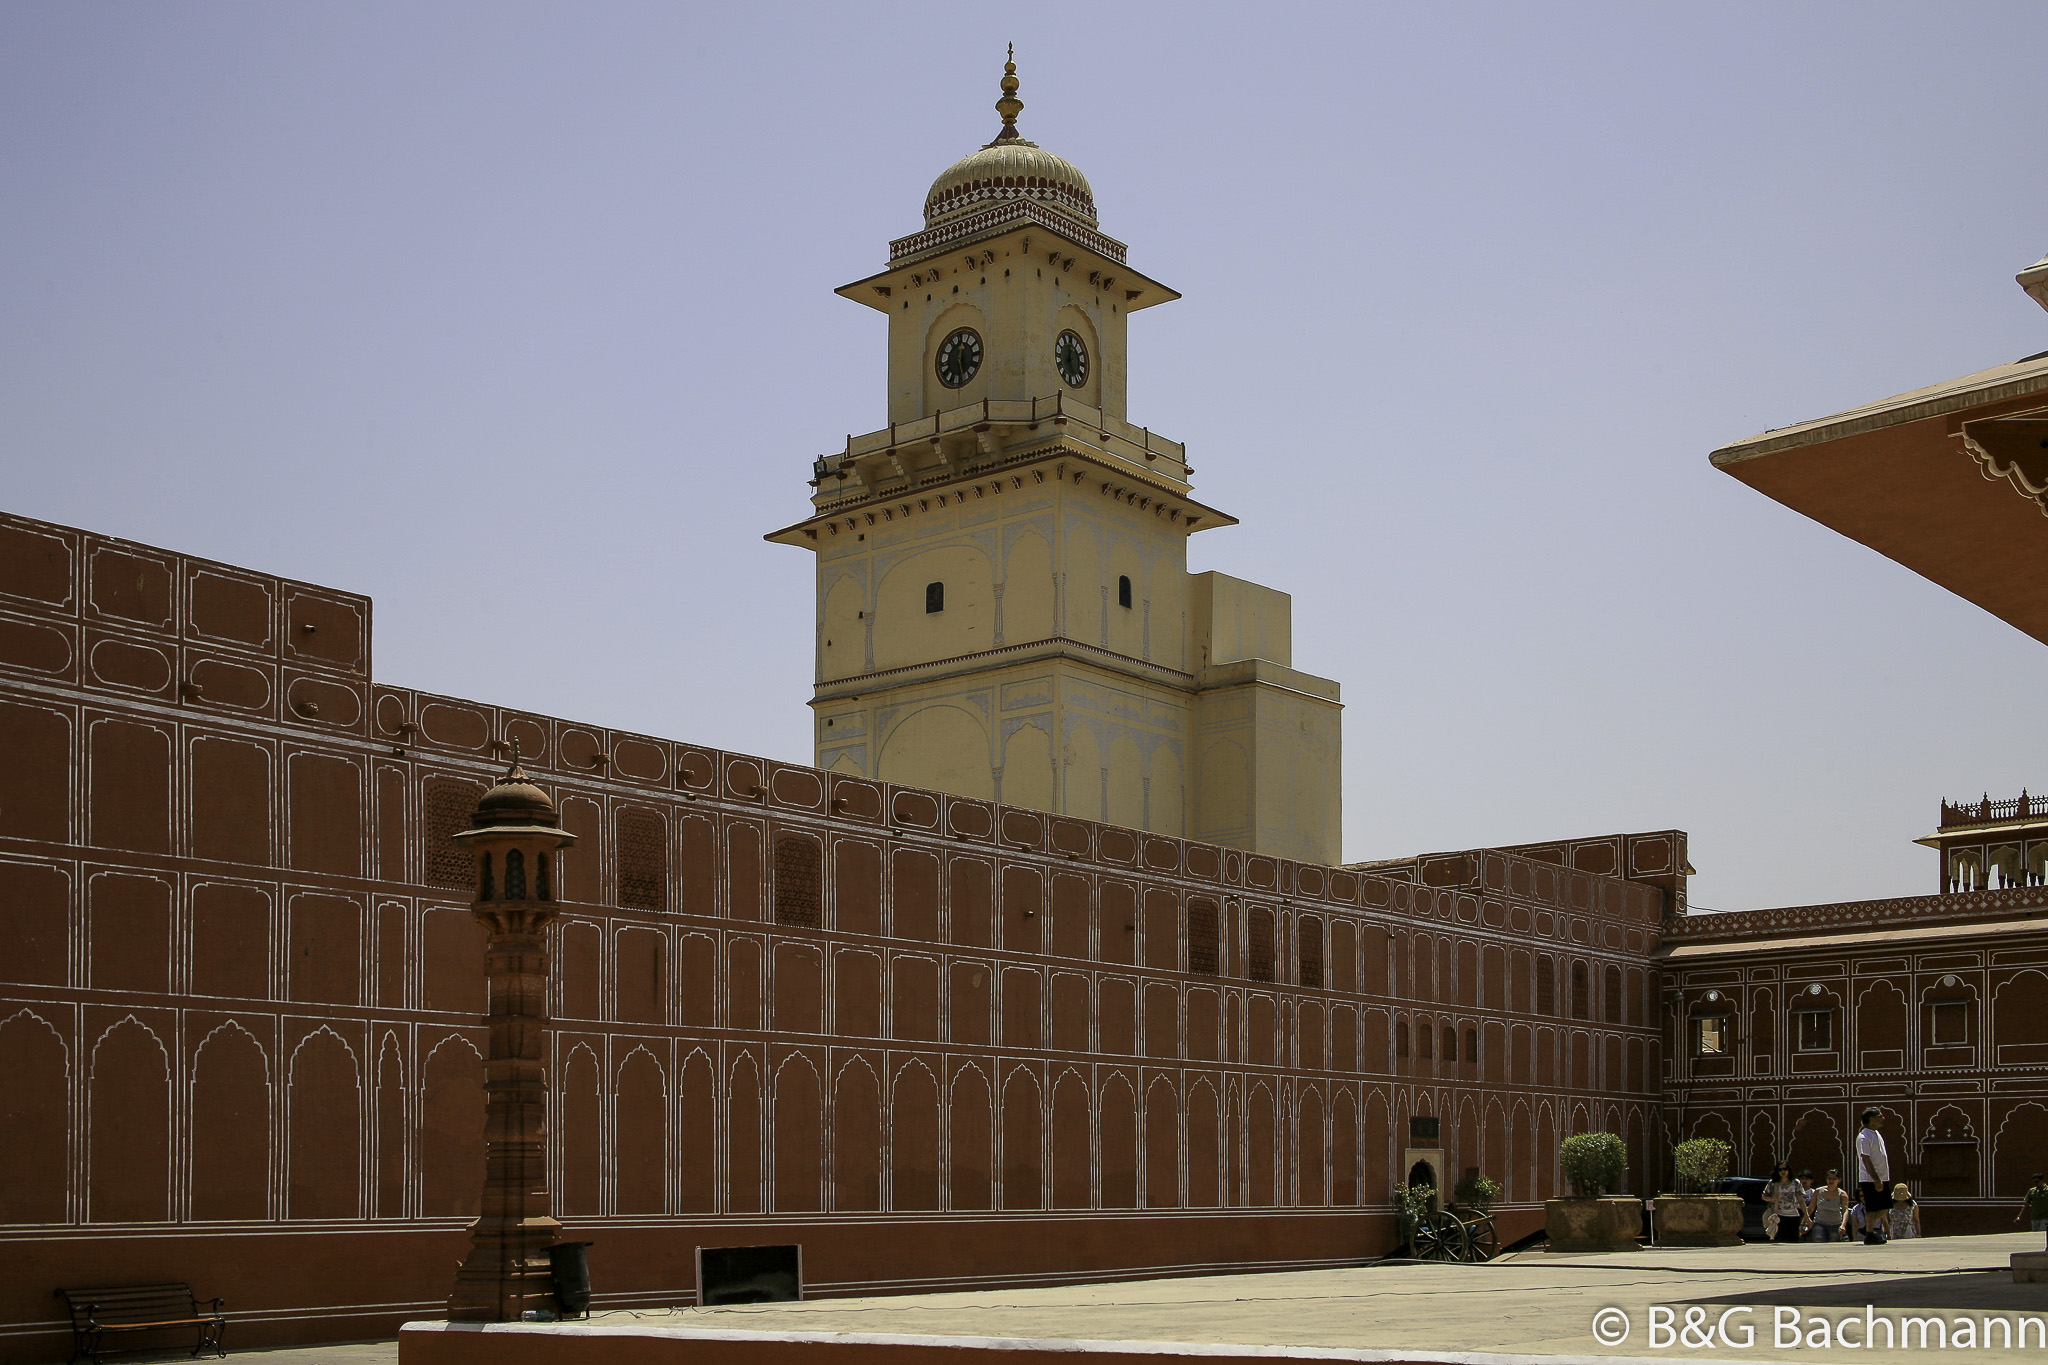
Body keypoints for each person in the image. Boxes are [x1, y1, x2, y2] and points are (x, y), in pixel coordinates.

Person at [1856, 1108, 1892, 1244]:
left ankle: (1868, 1228)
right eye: (1879, 1116)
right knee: (1872, 1207)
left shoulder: (1876, 1133)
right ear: (1872, 1119)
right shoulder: (1863, 1137)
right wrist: (1876, 1179)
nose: (1883, 1118)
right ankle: (1869, 1234)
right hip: (1870, 1179)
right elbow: (1865, 1158)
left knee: (1886, 1205)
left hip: (1882, 1177)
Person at [1762, 1163, 1807, 1243]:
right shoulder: (1773, 1183)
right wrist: (1771, 1199)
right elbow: (1764, 1196)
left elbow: (1801, 1200)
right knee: (1781, 1241)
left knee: (1794, 1241)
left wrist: (1806, 1215)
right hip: (1779, 1216)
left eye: (1785, 1169)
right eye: (1780, 1170)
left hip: (1794, 1215)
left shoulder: (1796, 1182)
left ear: (1789, 1170)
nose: (1783, 1171)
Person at [1809, 1170, 1850, 1242]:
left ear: (1839, 1180)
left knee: (1833, 1243)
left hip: (1835, 1224)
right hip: (1820, 1222)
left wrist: (1843, 1225)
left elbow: (1845, 1210)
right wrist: (1805, 1220)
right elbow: (1811, 1207)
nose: (1831, 1181)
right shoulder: (1818, 1191)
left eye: (1834, 1179)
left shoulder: (1842, 1194)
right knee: (1818, 1239)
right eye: (1829, 1178)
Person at [2015, 1172, 2048, 1248]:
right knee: (2036, 1236)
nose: (2035, 1184)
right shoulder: (2032, 1191)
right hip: (2035, 1217)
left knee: (2042, 1235)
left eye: (2037, 1182)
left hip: (2045, 1218)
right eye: (2034, 1182)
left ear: (2042, 1181)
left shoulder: (2047, 1190)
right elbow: (2026, 1204)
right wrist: (2019, 1216)